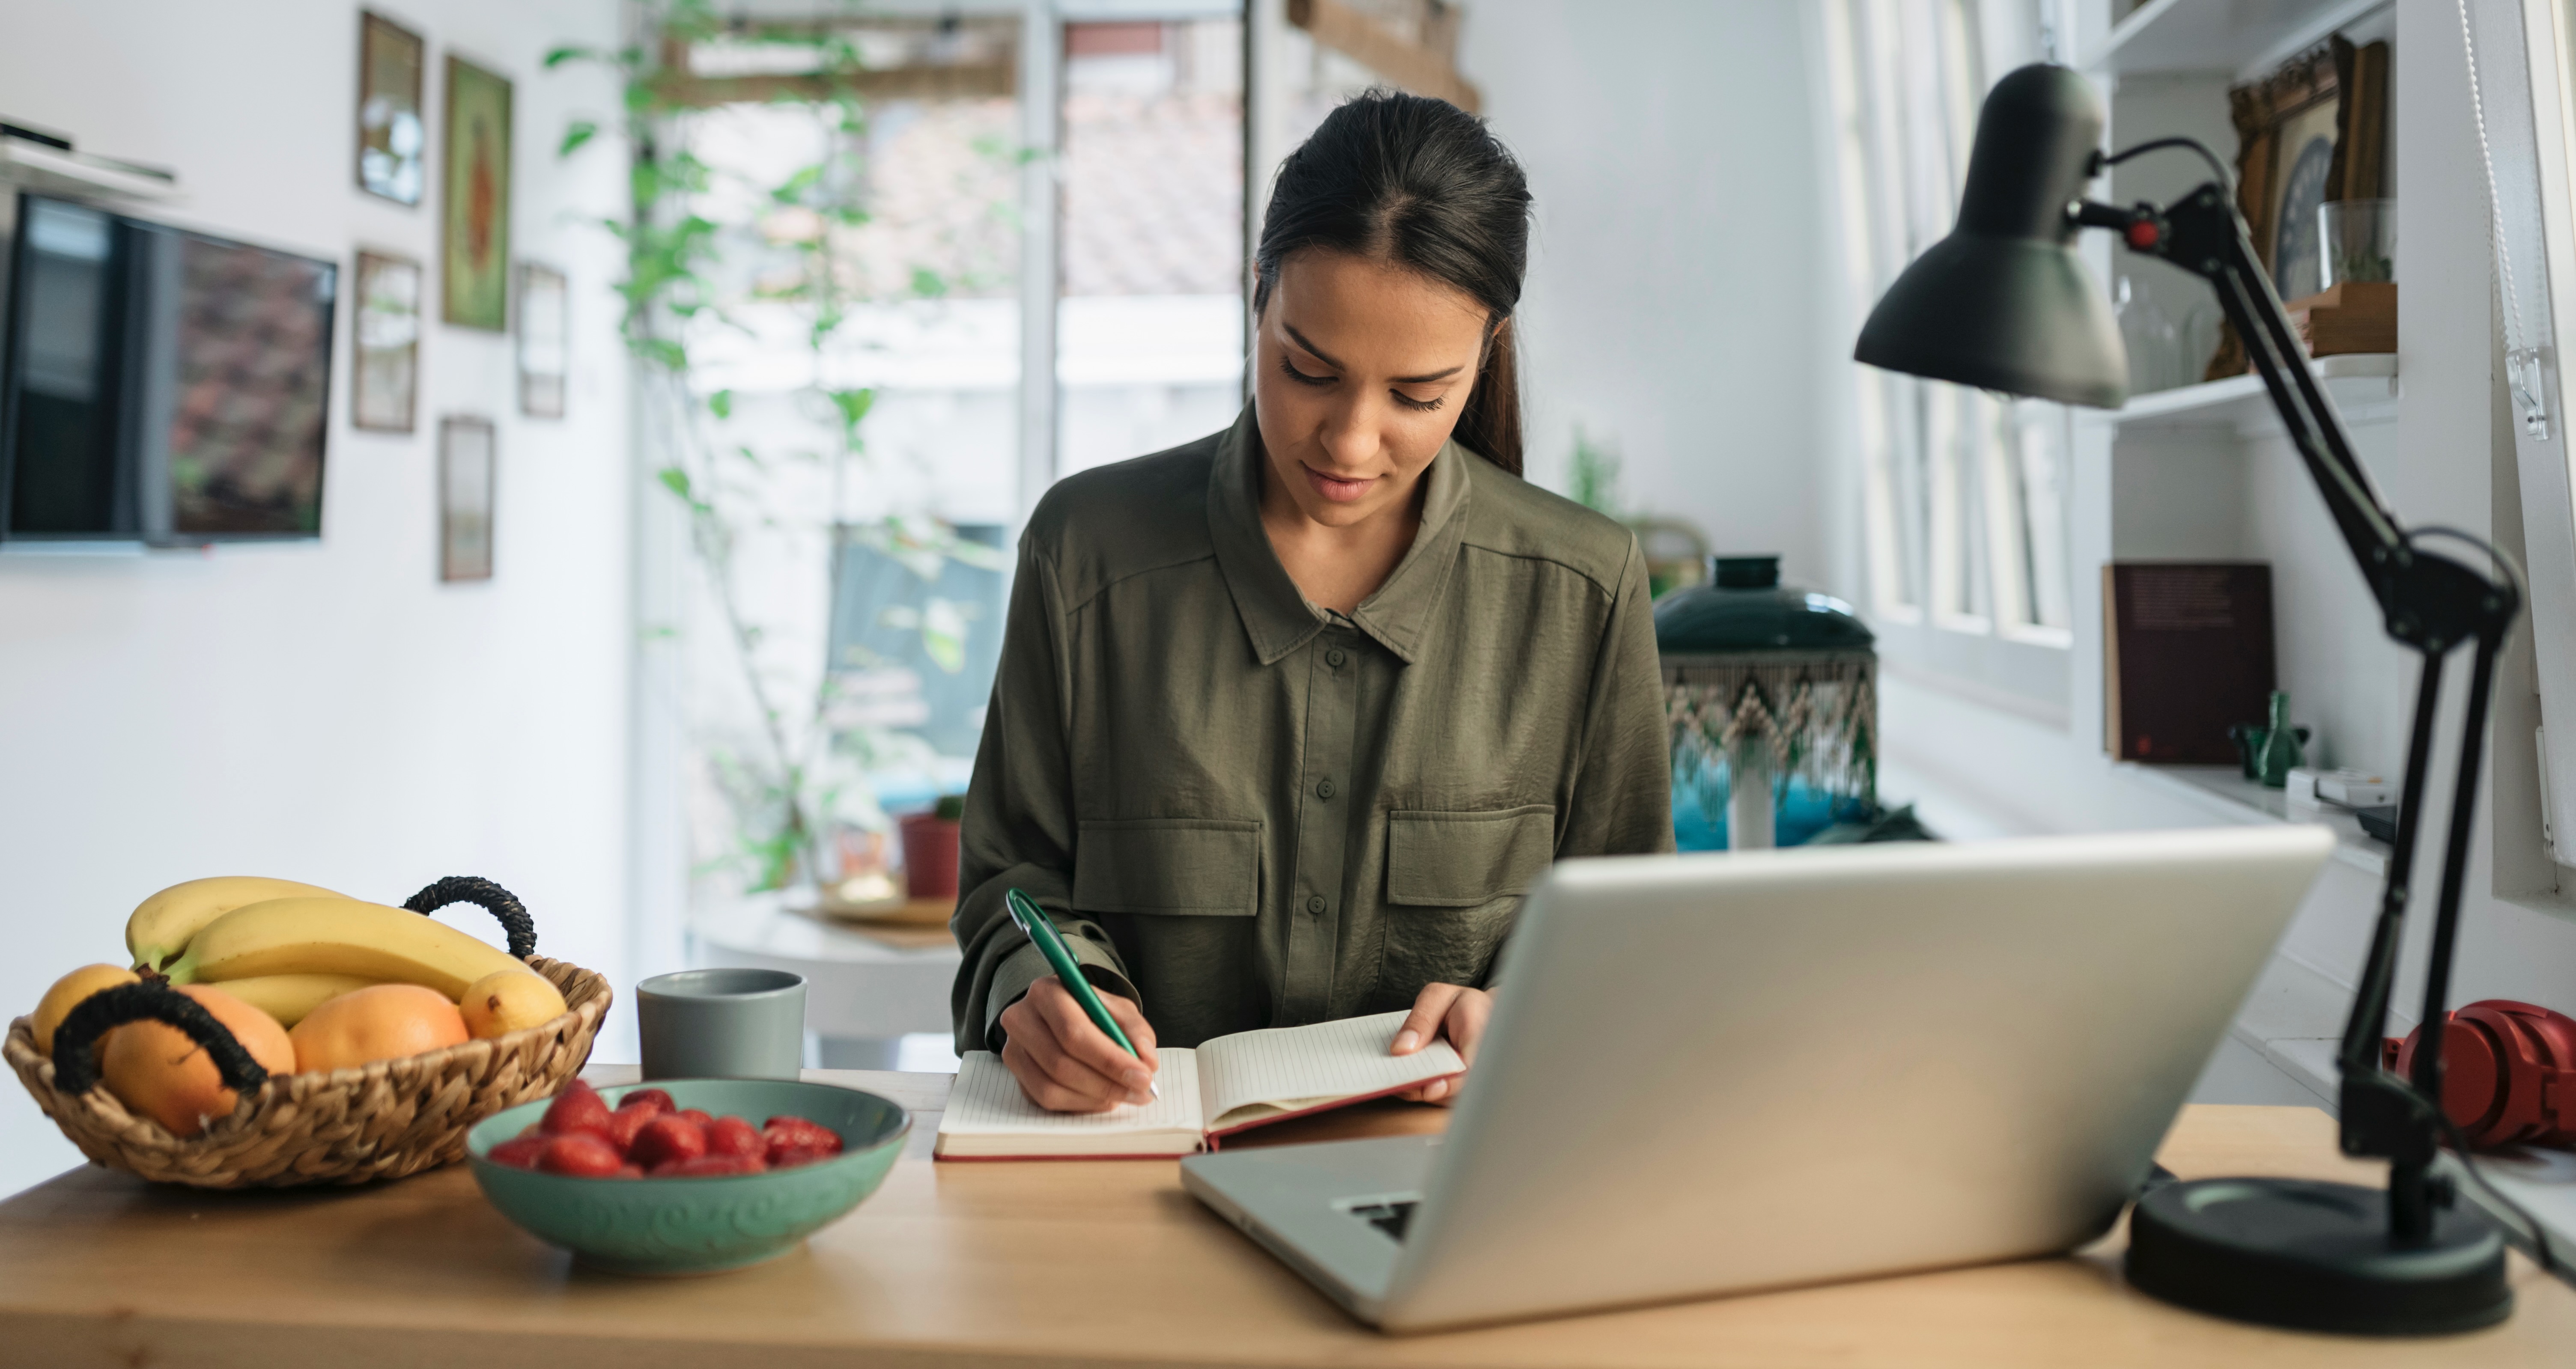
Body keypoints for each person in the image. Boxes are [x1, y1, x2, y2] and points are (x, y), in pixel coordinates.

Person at [949, 90, 1673, 1113]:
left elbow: (1629, 936)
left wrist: (1531, 1010)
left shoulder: (1582, 590)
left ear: (1487, 350)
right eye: (1307, 370)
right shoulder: (1087, 554)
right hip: (1130, 1174)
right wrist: (1044, 997)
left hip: (1449, 1184)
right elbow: (1009, 885)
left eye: (1416, 396)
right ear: (1258, 295)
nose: (1348, 442)